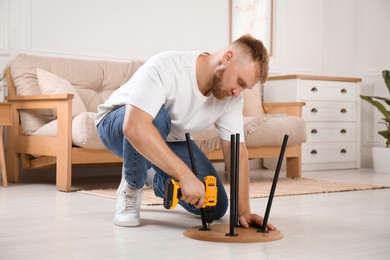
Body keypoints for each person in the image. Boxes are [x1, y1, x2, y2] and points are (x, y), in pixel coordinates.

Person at [95, 34, 275, 231]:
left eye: (245, 88)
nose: (238, 92)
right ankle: (131, 186)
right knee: (158, 117)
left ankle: (152, 174)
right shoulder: (167, 65)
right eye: (239, 82)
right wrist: (184, 176)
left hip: (170, 139)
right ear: (227, 58)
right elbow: (135, 127)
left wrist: (242, 211)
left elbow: (236, 151)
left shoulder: (232, 99)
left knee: (214, 206)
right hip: (117, 124)